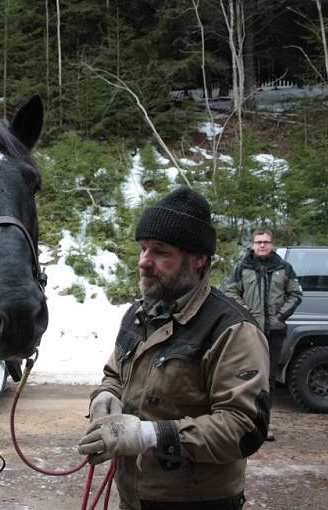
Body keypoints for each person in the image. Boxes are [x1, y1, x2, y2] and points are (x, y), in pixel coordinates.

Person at [78, 186, 270, 510]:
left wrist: (148, 435)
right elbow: (114, 373)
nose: (144, 262)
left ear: (198, 260)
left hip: (197, 501)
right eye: (142, 249)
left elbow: (245, 427)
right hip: (134, 497)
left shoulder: (232, 329)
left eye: (160, 251)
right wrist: (105, 397)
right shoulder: (139, 313)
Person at [225, 229, 303, 383]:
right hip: (250, 331)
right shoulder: (243, 267)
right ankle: (249, 406)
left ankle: (266, 406)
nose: (262, 245)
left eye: (266, 242)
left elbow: (295, 294)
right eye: (258, 242)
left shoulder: (284, 268)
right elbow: (231, 292)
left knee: (269, 377)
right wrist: (247, 315)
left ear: (272, 245)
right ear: (253, 245)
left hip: (275, 332)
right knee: (248, 374)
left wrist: (279, 317)